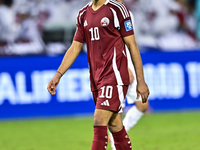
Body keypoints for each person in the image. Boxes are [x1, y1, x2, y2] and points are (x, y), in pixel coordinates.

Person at [47, 0, 149, 150]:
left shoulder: (117, 9)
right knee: (115, 125)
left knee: (99, 120)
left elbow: (132, 45)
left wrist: (141, 81)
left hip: (115, 75)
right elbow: (75, 47)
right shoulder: (83, 13)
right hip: (96, 78)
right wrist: (58, 74)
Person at [107, 1, 149, 149]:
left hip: (129, 62)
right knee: (117, 110)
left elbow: (130, 42)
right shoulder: (105, 14)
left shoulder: (127, 13)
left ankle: (116, 135)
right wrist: (122, 66)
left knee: (143, 105)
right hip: (113, 65)